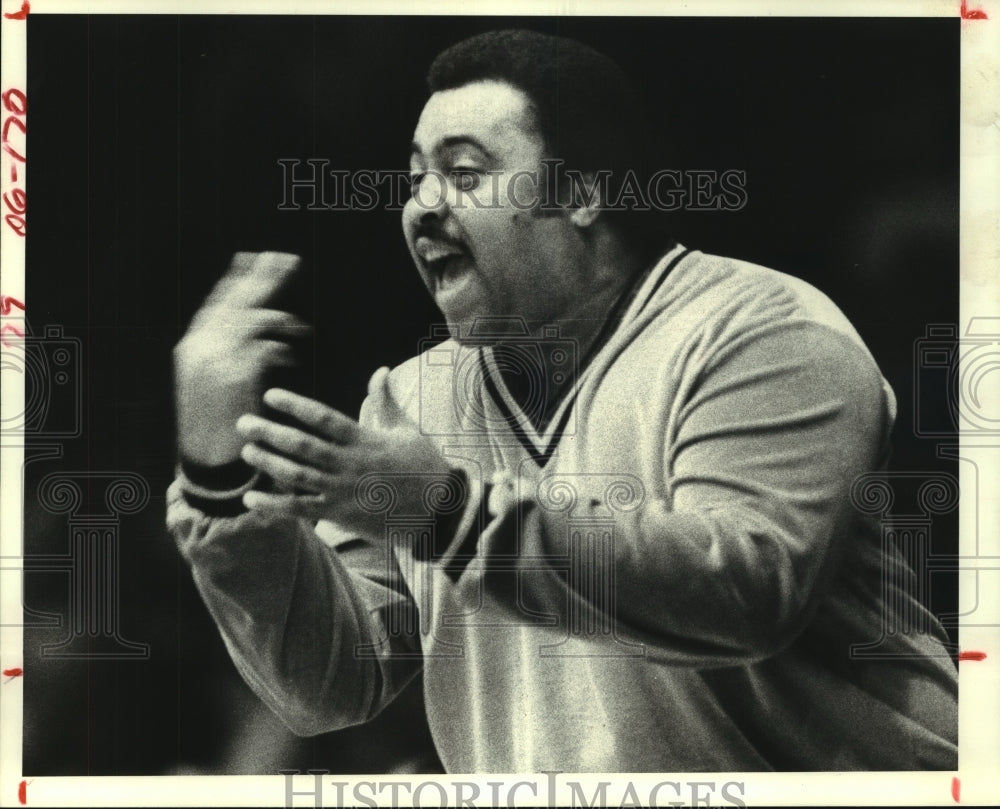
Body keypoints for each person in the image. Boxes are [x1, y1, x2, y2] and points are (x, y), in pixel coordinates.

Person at [167, 29, 958, 772]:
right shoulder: (413, 397)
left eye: (465, 172)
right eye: (415, 179)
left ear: (580, 192)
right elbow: (331, 684)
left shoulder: (763, 331)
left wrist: (447, 515)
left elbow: (747, 595)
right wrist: (219, 480)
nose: (423, 206)